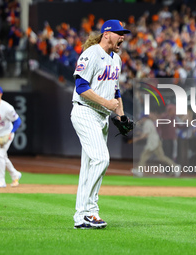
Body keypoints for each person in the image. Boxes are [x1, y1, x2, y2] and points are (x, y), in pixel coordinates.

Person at [70, 20, 130, 229]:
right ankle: (88, 211)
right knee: (101, 159)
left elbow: (115, 92)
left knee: (89, 167)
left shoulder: (117, 59)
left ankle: (84, 215)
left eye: (123, 33)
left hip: (101, 117)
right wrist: (106, 104)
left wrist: (121, 116)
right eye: (119, 33)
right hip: (85, 112)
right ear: (107, 34)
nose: (122, 37)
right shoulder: (92, 53)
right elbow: (80, 86)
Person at [132, 113, 181, 178]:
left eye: (142, 118)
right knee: (160, 157)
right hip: (155, 141)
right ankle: (175, 166)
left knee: (144, 156)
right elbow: (148, 133)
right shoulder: (149, 122)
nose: (142, 119)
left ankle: (139, 170)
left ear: (144, 118)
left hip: (153, 143)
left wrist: (136, 139)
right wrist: (141, 133)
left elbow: (145, 135)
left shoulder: (147, 123)